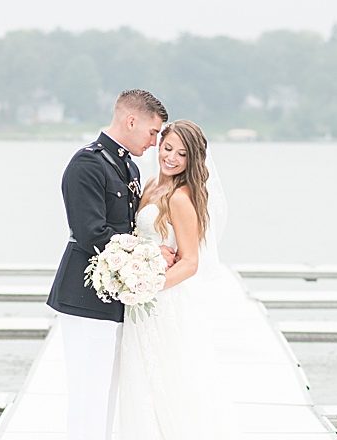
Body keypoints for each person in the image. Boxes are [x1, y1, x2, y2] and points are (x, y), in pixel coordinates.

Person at [46, 89, 170, 440]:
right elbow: (92, 233)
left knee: (107, 394)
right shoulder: (87, 164)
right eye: (152, 132)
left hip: (118, 295)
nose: (154, 142)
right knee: (87, 394)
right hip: (84, 295)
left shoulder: (129, 166)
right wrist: (150, 257)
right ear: (131, 121)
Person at [117, 120, 235, 439]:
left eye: (181, 154)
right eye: (167, 148)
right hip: (139, 297)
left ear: (192, 159)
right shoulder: (152, 184)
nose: (171, 158)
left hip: (161, 299)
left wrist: (148, 285)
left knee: (165, 380)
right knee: (138, 379)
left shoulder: (181, 198)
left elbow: (191, 262)